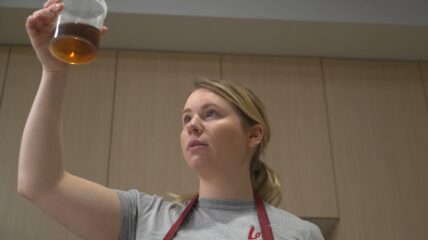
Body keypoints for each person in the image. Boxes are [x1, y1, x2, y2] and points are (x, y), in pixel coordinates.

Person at [18, 0, 324, 239]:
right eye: (186, 118)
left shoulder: (299, 234)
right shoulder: (145, 217)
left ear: (253, 135)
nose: (192, 125)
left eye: (211, 114)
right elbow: (41, 183)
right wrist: (53, 72)